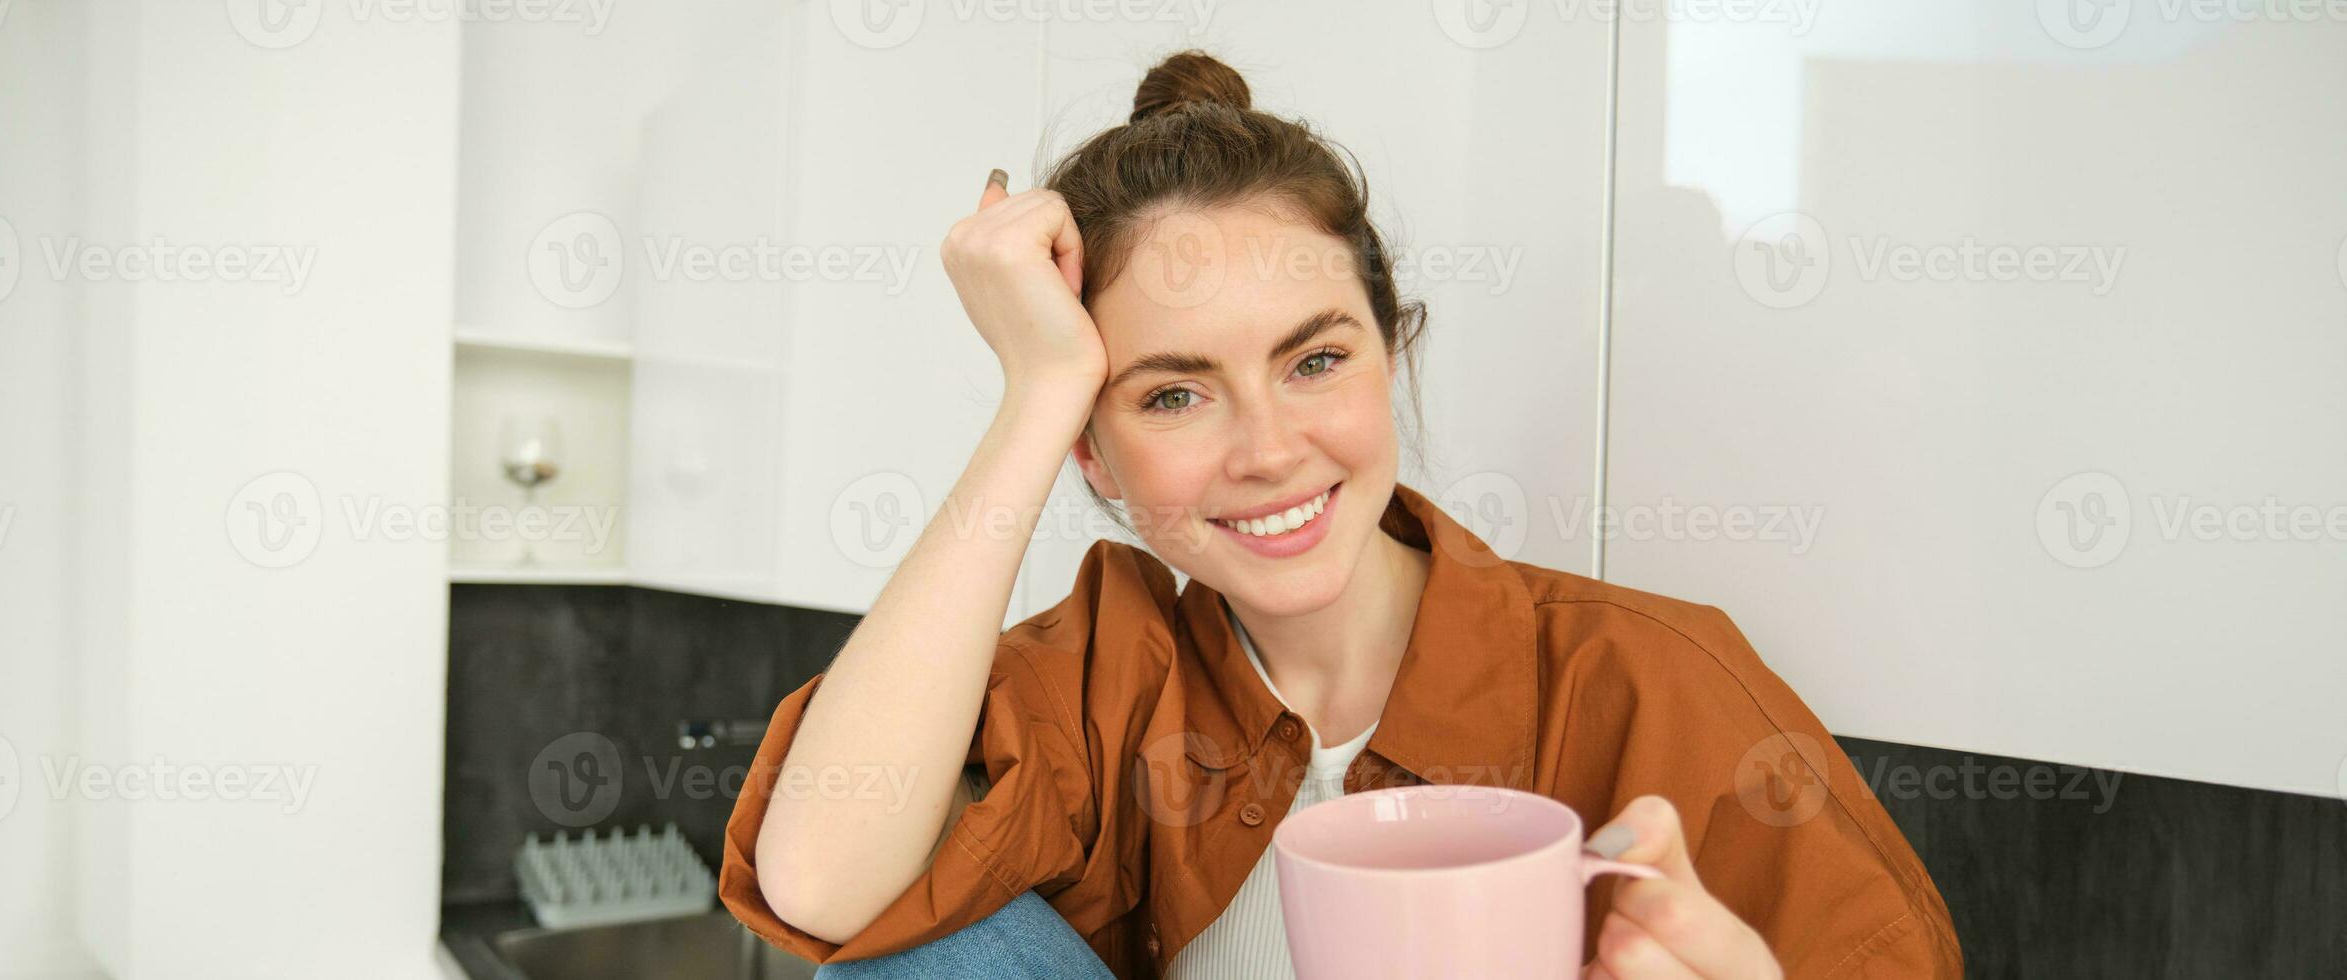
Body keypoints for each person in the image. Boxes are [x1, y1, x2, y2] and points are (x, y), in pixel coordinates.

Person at [719, 49, 1963, 980]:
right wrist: (1037, 390)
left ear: (1390, 354)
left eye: (1315, 361)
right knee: (926, 949)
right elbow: (823, 882)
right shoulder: (1111, 671)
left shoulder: (1647, 678)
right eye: (1172, 393)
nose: (1268, 451)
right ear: (1093, 453)